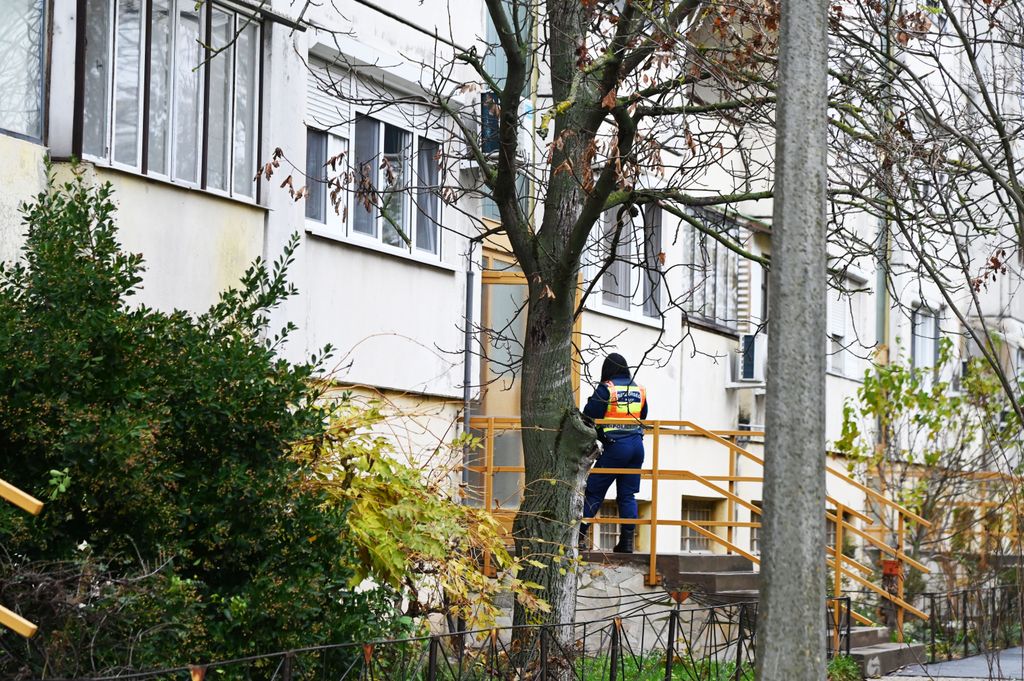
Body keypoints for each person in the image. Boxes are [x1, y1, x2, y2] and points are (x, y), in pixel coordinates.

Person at [579, 353, 648, 554]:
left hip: (616, 447)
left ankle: (579, 536)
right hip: (637, 447)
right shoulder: (639, 389)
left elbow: (589, 413)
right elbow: (643, 415)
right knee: (627, 495)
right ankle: (626, 543)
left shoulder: (607, 388)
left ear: (607, 369)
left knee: (594, 491)